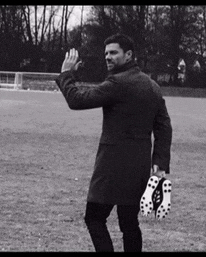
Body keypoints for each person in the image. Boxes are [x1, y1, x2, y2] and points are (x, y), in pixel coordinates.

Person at [55, 33, 172, 252]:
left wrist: (66, 74)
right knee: (129, 223)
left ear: (128, 55)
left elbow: (76, 99)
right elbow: (164, 127)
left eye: (113, 52)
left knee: (94, 218)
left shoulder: (117, 83)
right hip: (138, 167)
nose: (108, 57)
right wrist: (160, 165)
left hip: (112, 167)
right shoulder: (153, 86)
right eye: (106, 53)